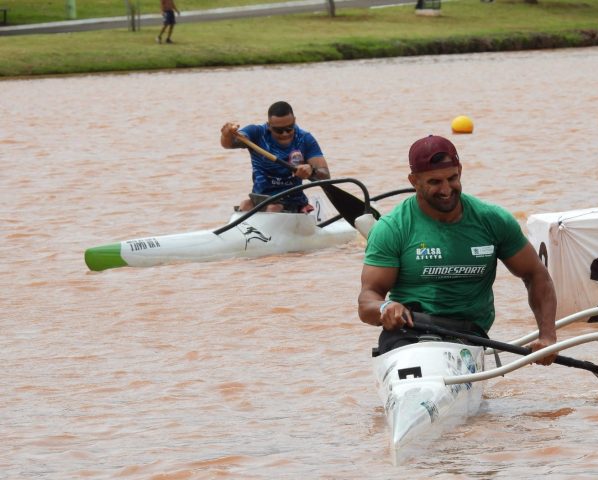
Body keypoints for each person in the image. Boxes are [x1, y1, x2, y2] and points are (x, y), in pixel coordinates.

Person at [357, 134, 558, 365]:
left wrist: (547, 337)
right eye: (434, 182)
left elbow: (536, 274)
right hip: (408, 335)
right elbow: (366, 300)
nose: (446, 189)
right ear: (414, 181)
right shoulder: (392, 228)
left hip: (468, 336)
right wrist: (385, 307)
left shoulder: (493, 220)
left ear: (460, 171)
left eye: (452, 178)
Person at [220, 101, 331, 213]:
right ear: (269, 125)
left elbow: (325, 175)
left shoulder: (305, 139)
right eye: (279, 130)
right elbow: (229, 144)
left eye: (289, 128)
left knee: (273, 208)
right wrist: (227, 135)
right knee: (245, 204)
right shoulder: (257, 133)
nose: (284, 134)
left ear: (295, 121)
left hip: (291, 201)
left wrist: (311, 170)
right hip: (260, 198)